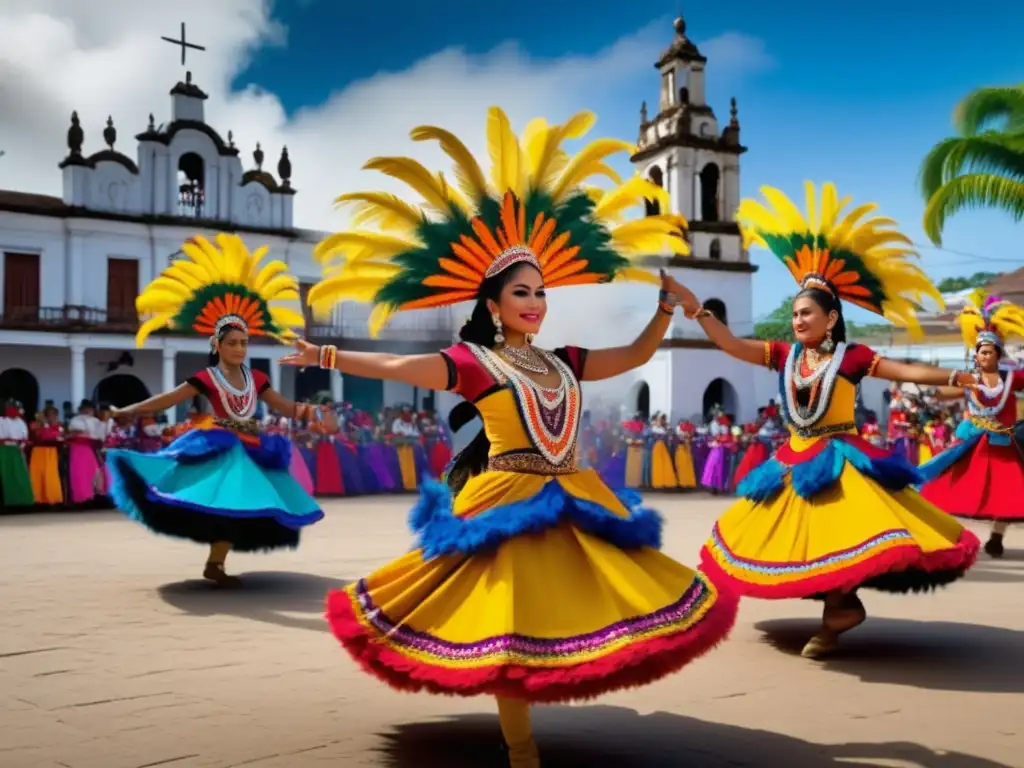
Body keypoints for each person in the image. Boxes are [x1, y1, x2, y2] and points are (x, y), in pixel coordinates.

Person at [282, 106, 739, 768]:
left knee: (588, 602)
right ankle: (520, 744)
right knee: (505, 626)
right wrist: (324, 357)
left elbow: (638, 355)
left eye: (541, 292)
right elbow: (397, 367)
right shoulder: (474, 362)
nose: (535, 302)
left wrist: (665, 307)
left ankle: (536, 716)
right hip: (505, 498)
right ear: (493, 306)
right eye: (521, 292)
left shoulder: (566, 361)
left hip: (571, 491)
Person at [679, 182, 980, 659]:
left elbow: (906, 371)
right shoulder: (783, 354)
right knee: (783, 536)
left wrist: (957, 375)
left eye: (807, 313)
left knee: (843, 531)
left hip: (842, 455)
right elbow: (733, 346)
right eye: (795, 313)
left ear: (831, 317)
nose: (798, 320)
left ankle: (838, 612)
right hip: (794, 457)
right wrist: (698, 313)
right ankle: (839, 606)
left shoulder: (852, 356)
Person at [105, 233, 327, 586]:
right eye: (233, 343)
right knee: (221, 500)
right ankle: (216, 563)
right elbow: (168, 399)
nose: (240, 348)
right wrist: (128, 411)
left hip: (252, 444)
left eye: (244, 343)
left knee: (244, 503)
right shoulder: (206, 377)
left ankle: (215, 563)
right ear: (218, 345)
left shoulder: (256, 376)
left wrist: (309, 412)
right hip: (219, 442)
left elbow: (282, 405)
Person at [919, 292, 1024, 558]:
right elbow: (947, 391)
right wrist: (929, 393)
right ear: (975, 355)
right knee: (948, 489)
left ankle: (996, 539)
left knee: (1009, 496)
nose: (984, 355)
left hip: (1002, 447)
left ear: (998, 355)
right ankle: (941, 535)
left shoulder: (1011, 378)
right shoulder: (968, 379)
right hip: (973, 445)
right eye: (981, 351)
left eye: (989, 351)